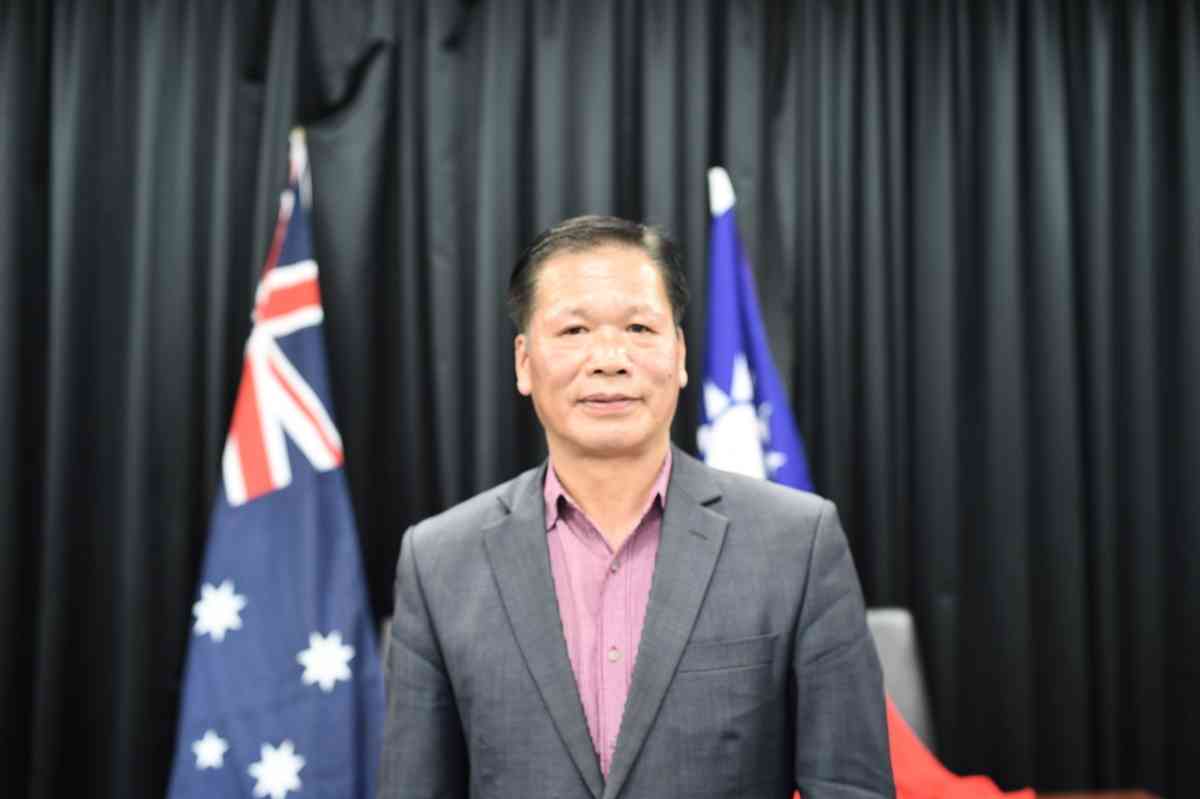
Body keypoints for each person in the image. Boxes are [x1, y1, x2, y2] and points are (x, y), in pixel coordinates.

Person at [377, 215, 894, 798]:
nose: (609, 359)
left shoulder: (797, 542)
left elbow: (851, 788)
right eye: (574, 330)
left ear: (679, 355)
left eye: (639, 328)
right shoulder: (439, 562)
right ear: (524, 363)